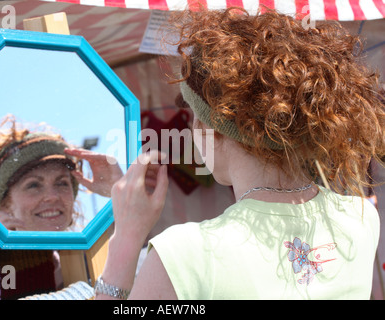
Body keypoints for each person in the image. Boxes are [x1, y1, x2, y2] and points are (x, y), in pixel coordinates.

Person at [95, 8, 385, 300]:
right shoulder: (361, 220)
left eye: (192, 114)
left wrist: (126, 240)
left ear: (210, 126)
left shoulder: (184, 257)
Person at [0, 114, 123, 299]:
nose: (52, 197)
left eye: (62, 183)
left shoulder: (94, 259)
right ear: (5, 204)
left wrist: (120, 193)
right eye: (33, 185)